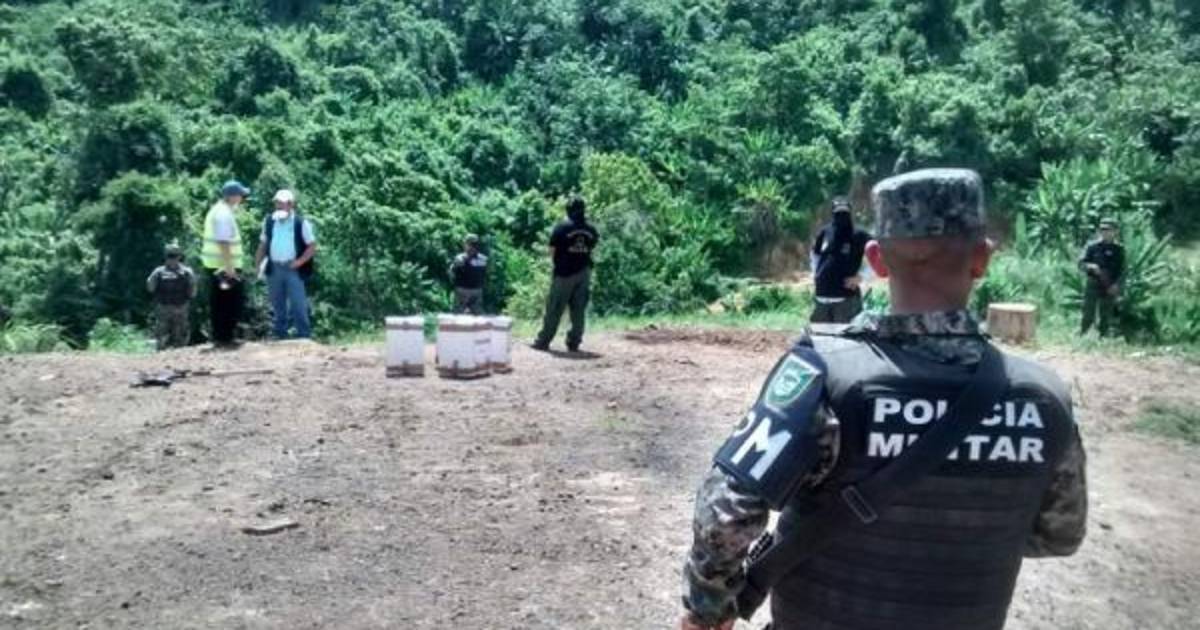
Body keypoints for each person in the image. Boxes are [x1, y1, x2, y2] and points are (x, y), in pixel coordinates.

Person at [679, 169, 1087, 630]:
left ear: (876, 259)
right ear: (981, 258)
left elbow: (726, 512)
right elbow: (1060, 535)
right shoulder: (1044, 398)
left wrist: (708, 609)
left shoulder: (823, 372)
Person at [532, 197, 599, 353]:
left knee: (554, 308)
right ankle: (574, 342)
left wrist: (559, 263)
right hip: (584, 272)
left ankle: (543, 341)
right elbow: (593, 248)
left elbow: (552, 250)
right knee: (579, 310)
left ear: (569, 210)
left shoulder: (562, 227)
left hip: (564, 273)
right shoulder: (591, 229)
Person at [255, 189, 317, 340]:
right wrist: (257, 265)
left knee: (298, 304)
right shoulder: (269, 221)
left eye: (282, 203)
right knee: (277, 304)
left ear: (290, 204)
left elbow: (312, 246)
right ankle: (280, 335)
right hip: (274, 267)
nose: (279, 206)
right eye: (277, 203)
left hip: (293, 268)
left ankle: (304, 335)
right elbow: (263, 244)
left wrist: (299, 262)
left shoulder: (300, 223)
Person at [202, 180, 249, 347]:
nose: (242, 198)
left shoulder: (220, 210)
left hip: (218, 265)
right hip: (222, 266)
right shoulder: (223, 213)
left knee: (222, 302)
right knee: (227, 303)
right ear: (232, 196)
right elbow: (223, 241)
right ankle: (225, 338)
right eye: (241, 195)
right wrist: (229, 267)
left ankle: (223, 337)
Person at [809, 197, 871, 323]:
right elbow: (815, 254)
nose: (841, 217)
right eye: (838, 213)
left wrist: (862, 276)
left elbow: (878, 253)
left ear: (850, 213)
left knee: (848, 335)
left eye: (844, 213)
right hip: (822, 298)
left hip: (846, 300)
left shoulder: (859, 234)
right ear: (832, 214)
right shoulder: (825, 232)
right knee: (820, 334)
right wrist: (816, 274)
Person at [1079, 218, 1124, 337]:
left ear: (1115, 231)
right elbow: (1081, 264)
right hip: (1093, 283)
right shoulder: (1092, 246)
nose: (1105, 232)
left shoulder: (1119, 249)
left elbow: (1123, 270)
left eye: (1108, 229)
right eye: (1102, 229)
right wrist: (1091, 266)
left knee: (1106, 314)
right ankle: (1084, 335)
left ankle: (1103, 337)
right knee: (1088, 312)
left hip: (1109, 284)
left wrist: (1117, 285)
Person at [146, 244, 196, 350]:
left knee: (180, 339)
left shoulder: (187, 272)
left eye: (174, 256)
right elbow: (150, 287)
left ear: (179, 257)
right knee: (161, 338)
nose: (172, 259)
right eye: (170, 256)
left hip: (180, 308)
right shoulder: (158, 272)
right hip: (164, 308)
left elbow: (193, 290)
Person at [449, 234, 488, 315]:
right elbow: (486, 275)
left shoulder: (460, 258)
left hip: (466, 291)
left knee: (458, 315)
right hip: (473, 290)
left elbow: (451, 272)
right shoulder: (483, 259)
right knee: (477, 315)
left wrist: (454, 284)